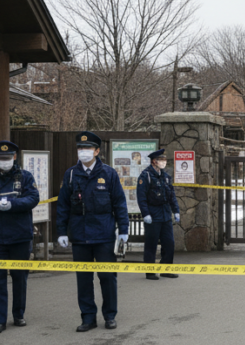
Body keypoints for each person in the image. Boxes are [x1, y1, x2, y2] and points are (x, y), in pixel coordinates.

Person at [55, 131, 129, 332]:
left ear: (97, 151)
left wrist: (123, 230)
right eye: (80, 148)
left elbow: (119, 204)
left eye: (87, 148)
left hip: (104, 235)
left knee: (107, 277)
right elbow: (62, 206)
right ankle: (88, 318)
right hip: (80, 236)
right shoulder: (71, 174)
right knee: (84, 279)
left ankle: (110, 315)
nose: (83, 151)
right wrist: (61, 231)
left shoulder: (109, 174)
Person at [0, 140, 40, 334]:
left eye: (8, 158)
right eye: (1, 158)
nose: (4, 161)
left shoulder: (25, 176)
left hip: (20, 235)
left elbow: (33, 198)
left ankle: (18, 314)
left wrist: (12, 204)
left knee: (20, 278)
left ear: (14, 157)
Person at [136, 149, 180, 280]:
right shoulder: (146, 176)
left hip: (165, 214)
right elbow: (141, 197)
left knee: (169, 243)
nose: (164, 162)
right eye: (161, 160)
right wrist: (146, 214)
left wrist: (176, 210)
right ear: (154, 161)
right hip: (153, 214)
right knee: (151, 244)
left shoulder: (165, 177)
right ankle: (150, 271)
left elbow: (172, 196)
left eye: (164, 160)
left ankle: (165, 269)